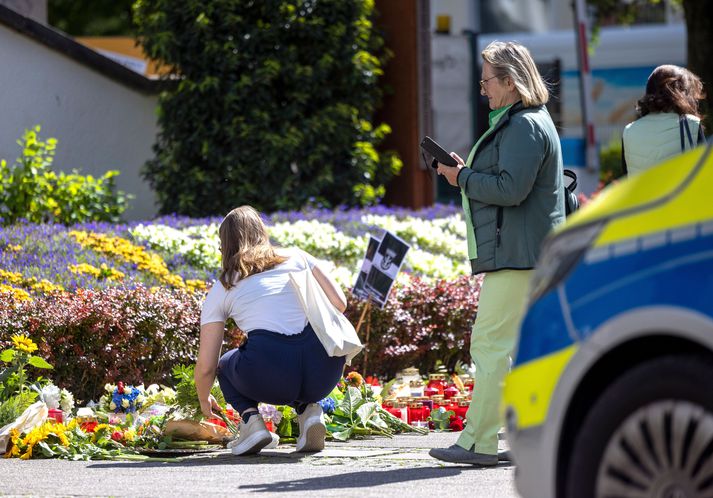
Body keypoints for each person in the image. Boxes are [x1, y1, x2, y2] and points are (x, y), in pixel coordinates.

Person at [429, 41, 565, 466]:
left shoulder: (524, 125)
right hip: (531, 252)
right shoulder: (528, 121)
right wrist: (465, 172)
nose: (482, 87)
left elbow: (511, 189)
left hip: (519, 255)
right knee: (523, 351)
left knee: (488, 344)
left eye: (487, 79)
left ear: (510, 80)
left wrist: (463, 176)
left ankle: (478, 442)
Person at [195, 205, 347, 456]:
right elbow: (340, 303)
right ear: (261, 232)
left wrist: (203, 399)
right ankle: (310, 412)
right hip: (326, 369)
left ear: (226, 245)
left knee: (225, 363)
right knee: (297, 357)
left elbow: (207, 366)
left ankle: (251, 423)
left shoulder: (224, 286)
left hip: (272, 374)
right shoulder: (298, 257)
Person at [623, 64, 706, 175]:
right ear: (683, 93)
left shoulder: (629, 131)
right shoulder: (691, 124)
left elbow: (626, 177)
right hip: (681, 192)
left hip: (646, 192)